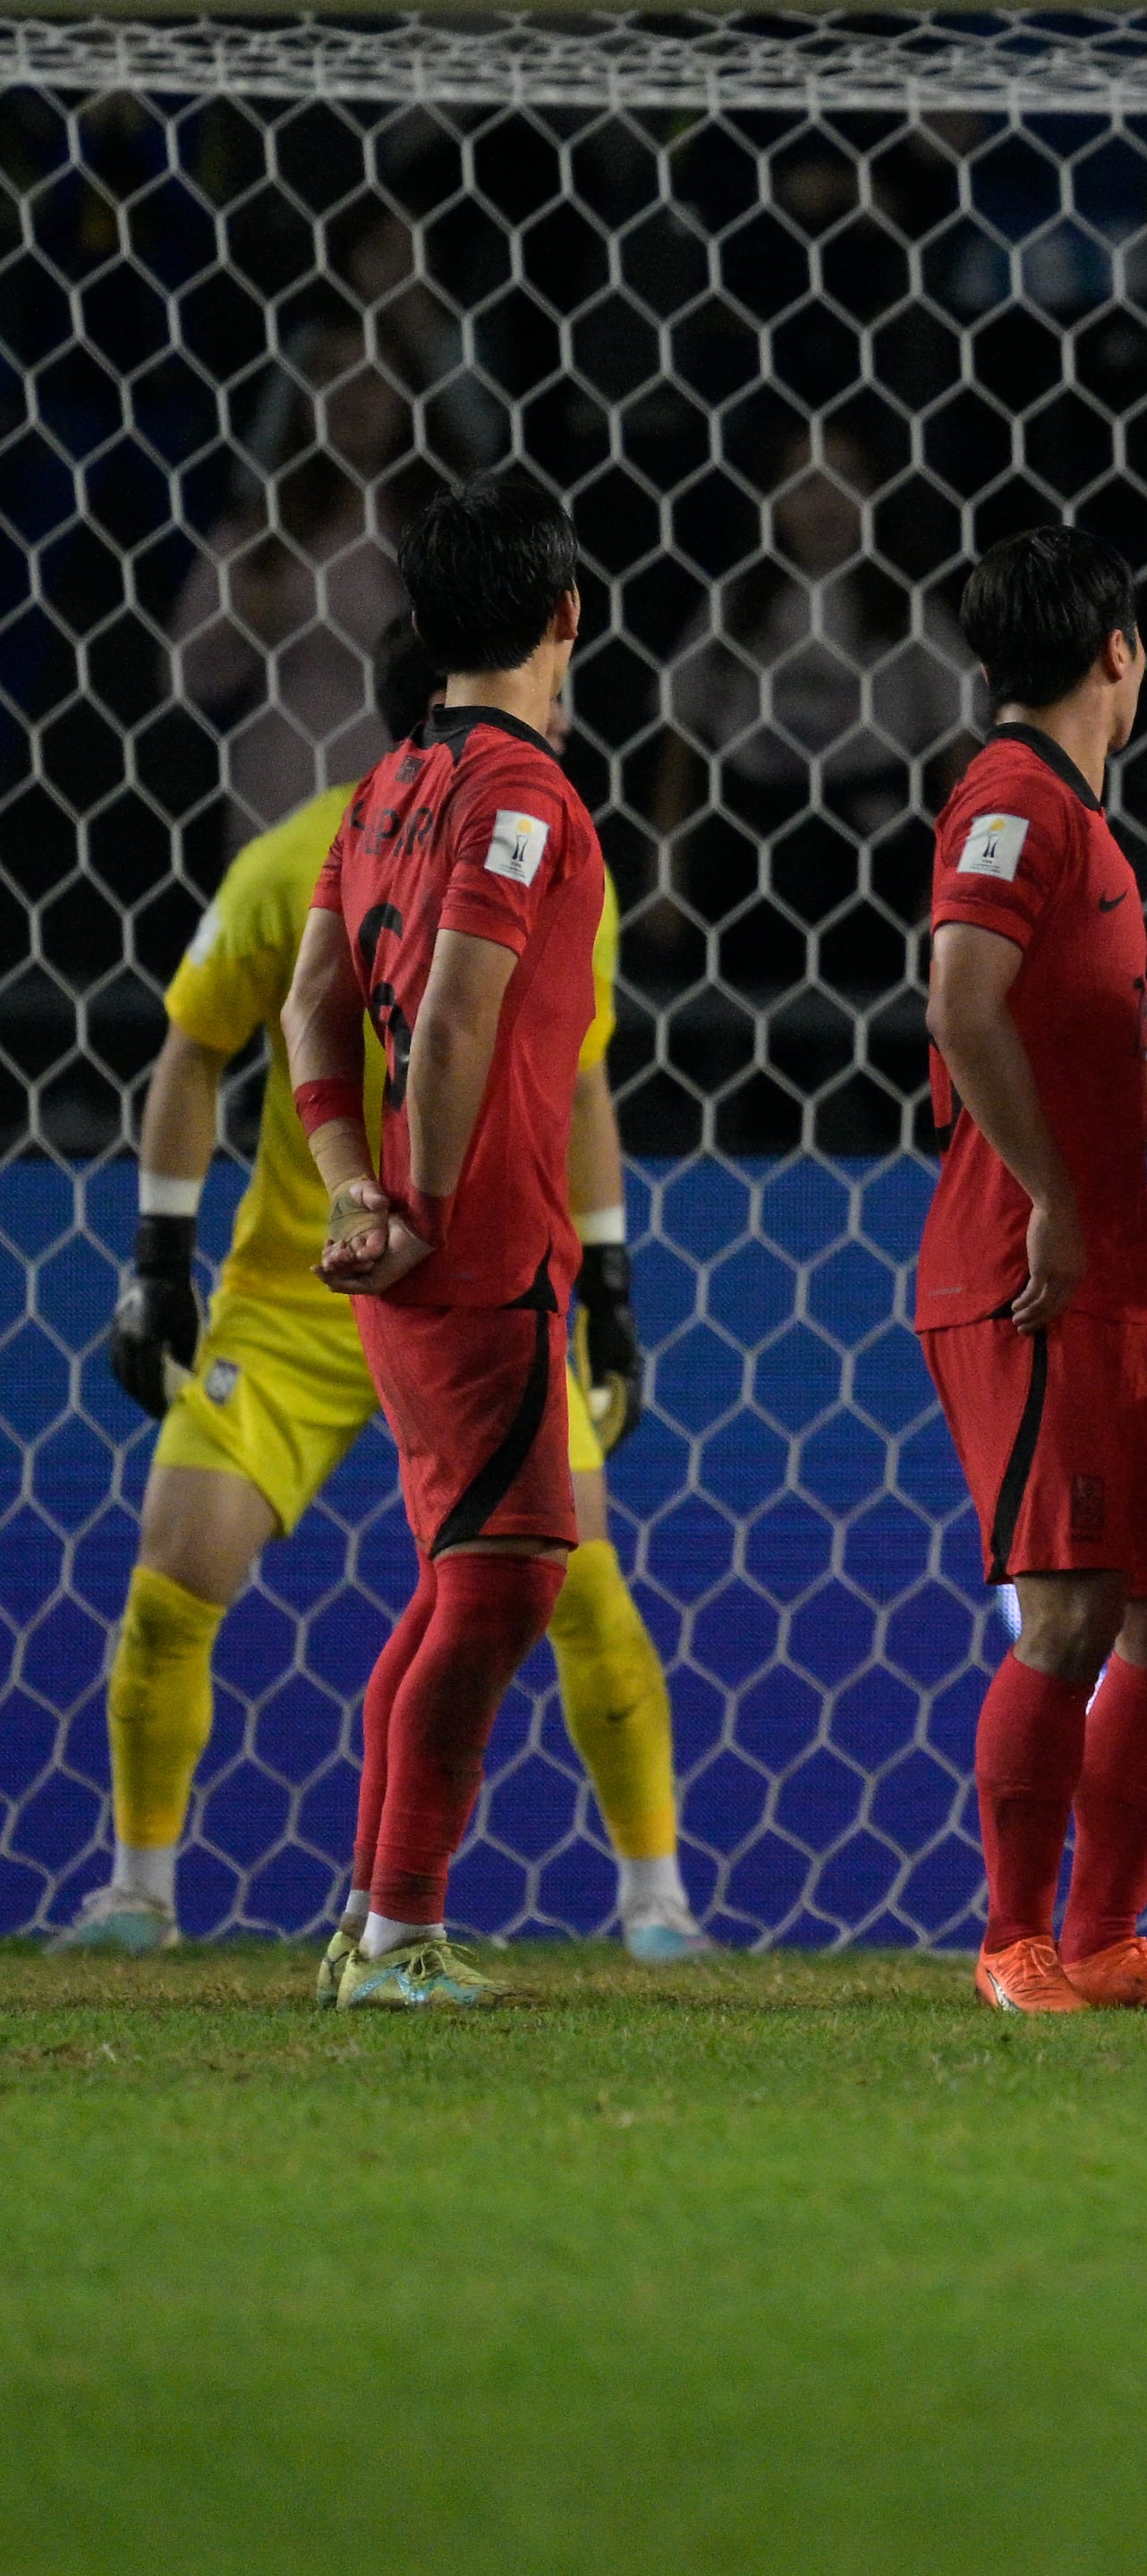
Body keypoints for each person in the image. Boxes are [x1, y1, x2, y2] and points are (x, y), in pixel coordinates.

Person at [62, 616, 705, 1965]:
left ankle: (651, 1905)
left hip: (406, 1246)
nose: (562, 708)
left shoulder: (443, 835)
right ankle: (149, 1895)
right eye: (553, 680)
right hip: (339, 1281)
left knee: (550, 1581)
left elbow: (577, 1076)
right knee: (192, 1575)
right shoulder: (336, 846)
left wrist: (610, 1283)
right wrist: (162, 1259)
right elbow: (194, 1047)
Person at [917, 529, 1147, 2014]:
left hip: (1117, 1274)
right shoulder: (1012, 800)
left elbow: (1131, 1072)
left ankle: (1110, 1938)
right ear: (1121, 654)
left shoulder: (1078, 825)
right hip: (1031, 1271)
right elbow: (961, 1004)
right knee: (1069, 1612)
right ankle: (1013, 1942)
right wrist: (1053, 1199)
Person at [280, 474, 618, 2009]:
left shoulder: (379, 790)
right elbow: (461, 1015)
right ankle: (399, 1936)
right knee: (506, 1581)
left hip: (409, 1242)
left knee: (456, 1578)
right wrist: (414, 1208)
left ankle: (370, 1920)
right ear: (566, 614)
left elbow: (312, 1007)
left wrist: (351, 1185)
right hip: (470, 1249)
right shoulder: (524, 796)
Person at [641, 420, 965, 989]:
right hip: (749, 853)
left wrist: (951, 883)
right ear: (771, 498)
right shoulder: (735, 605)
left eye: (848, 479)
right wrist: (665, 871)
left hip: (878, 855)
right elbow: (679, 736)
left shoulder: (911, 609)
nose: (827, 504)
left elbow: (958, 747)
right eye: (806, 483)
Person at [172, 320, 422, 855]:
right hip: (279, 823)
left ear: (410, 394)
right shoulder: (259, 534)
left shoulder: (446, 539)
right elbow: (184, 675)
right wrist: (246, 624)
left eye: (371, 377)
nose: (349, 393)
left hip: (403, 842)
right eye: (330, 372)